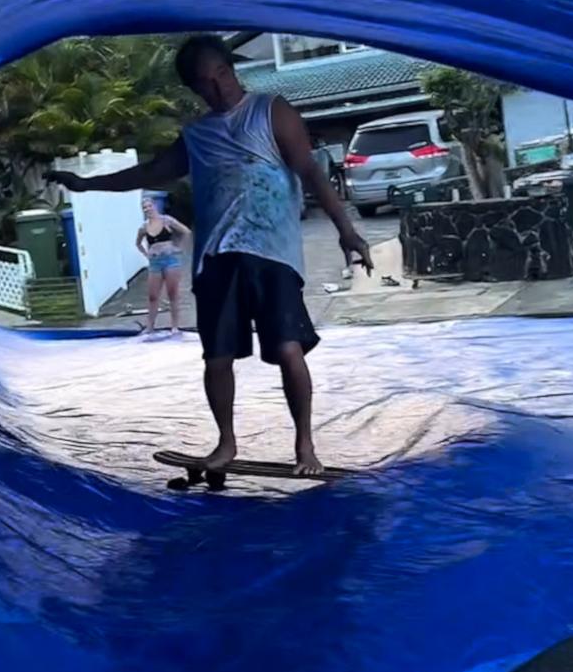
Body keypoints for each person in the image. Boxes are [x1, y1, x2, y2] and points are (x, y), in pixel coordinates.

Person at [47, 35, 373, 474]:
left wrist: (346, 230)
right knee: (217, 357)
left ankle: (305, 447)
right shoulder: (196, 136)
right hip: (217, 257)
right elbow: (147, 172)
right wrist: (89, 185)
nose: (218, 88)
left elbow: (311, 172)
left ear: (231, 69)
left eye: (222, 75)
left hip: (271, 255)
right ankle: (226, 444)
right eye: (206, 83)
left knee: (288, 349)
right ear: (195, 89)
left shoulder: (271, 112)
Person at [135, 197, 190, 338]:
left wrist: (179, 248)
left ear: (155, 206)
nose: (147, 209)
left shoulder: (167, 220)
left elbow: (186, 232)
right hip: (155, 263)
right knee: (153, 296)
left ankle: (175, 327)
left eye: (149, 206)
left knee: (173, 294)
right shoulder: (143, 227)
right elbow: (138, 243)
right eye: (144, 208)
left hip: (170, 260)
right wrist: (146, 254)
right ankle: (150, 327)